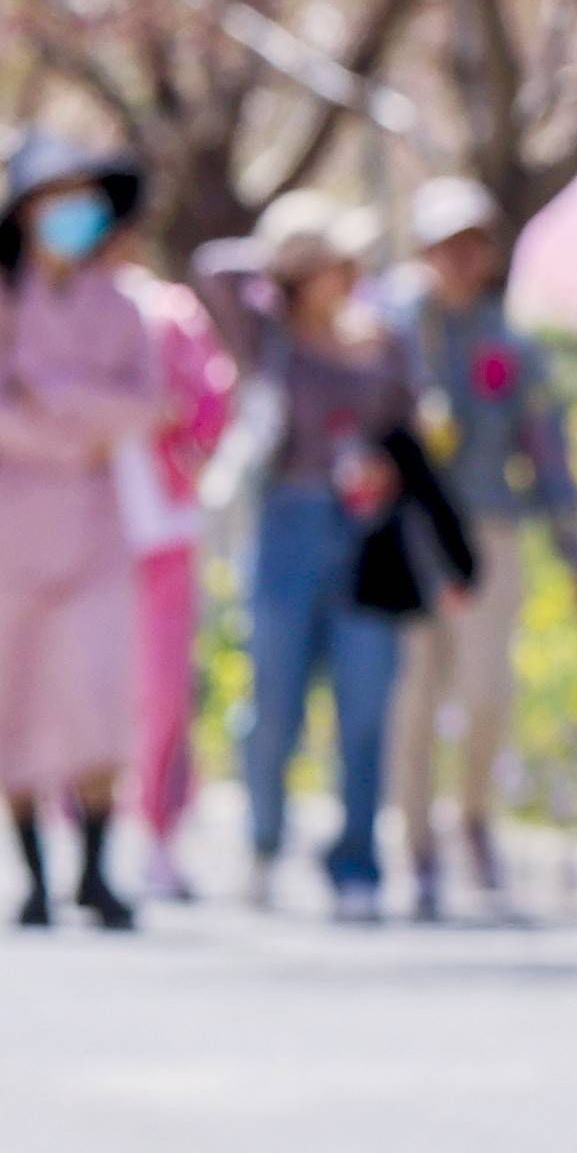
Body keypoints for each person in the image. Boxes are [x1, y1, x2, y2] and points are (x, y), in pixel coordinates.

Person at [0, 139, 171, 929]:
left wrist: (53, 398)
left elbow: (148, 403)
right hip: (3, 529)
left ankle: (96, 870)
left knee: (97, 689)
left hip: (93, 528)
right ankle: (31, 874)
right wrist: (73, 432)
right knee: (11, 693)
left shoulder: (123, 301)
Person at [195, 192, 421, 922]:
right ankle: (263, 841)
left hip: (366, 536)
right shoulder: (270, 342)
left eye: (347, 262)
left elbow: (409, 434)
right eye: (328, 264)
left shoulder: (382, 341)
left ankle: (355, 859)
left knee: (364, 704)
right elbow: (212, 269)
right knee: (274, 702)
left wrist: (384, 467)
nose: (344, 275)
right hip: (286, 526)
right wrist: (285, 250)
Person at [391, 175, 577, 922]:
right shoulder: (393, 335)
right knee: (412, 697)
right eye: (444, 245)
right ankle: (415, 847)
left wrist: (575, 553)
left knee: (485, 693)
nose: (458, 258)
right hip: (413, 537)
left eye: (470, 244)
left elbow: (546, 450)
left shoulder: (512, 347)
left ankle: (472, 817)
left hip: (488, 532)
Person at [115, 239, 240, 896]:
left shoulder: (166, 311)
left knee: (163, 689)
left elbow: (213, 401)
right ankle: (81, 823)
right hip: (85, 535)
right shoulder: (60, 310)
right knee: (87, 684)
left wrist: (180, 431)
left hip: (162, 528)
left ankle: (158, 829)